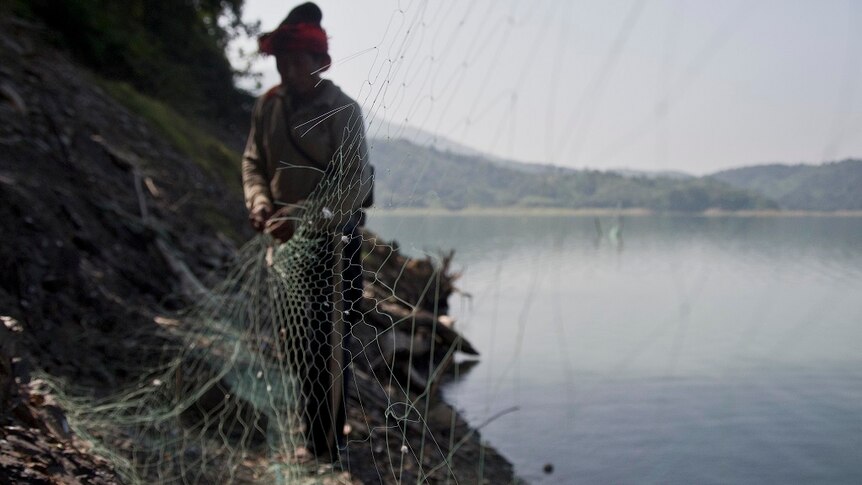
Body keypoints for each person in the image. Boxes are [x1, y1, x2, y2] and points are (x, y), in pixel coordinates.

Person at [241, 2, 372, 461]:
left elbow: (354, 185)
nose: (289, 69)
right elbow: (254, 163)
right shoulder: (268, 107)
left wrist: (303, 217)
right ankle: (314, 433)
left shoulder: (343, 111)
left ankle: (325, 444)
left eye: (299, 60)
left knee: (330, 344)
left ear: (320, 62)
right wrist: (259, 203)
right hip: (285, 245)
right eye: (283, 61)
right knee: (297, 343)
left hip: (335, 247)